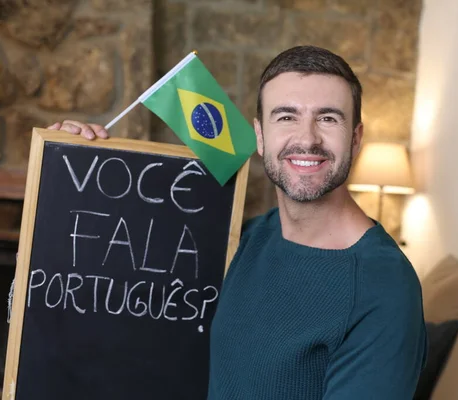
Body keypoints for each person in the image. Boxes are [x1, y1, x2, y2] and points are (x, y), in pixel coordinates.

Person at [48, 45, 428, 399]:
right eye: (286, 116)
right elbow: (128, 294)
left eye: (328, 118)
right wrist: (69, 174)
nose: (307, 139)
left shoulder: (383, 286)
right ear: (260, 136)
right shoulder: (246, 238)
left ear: (357, 138)